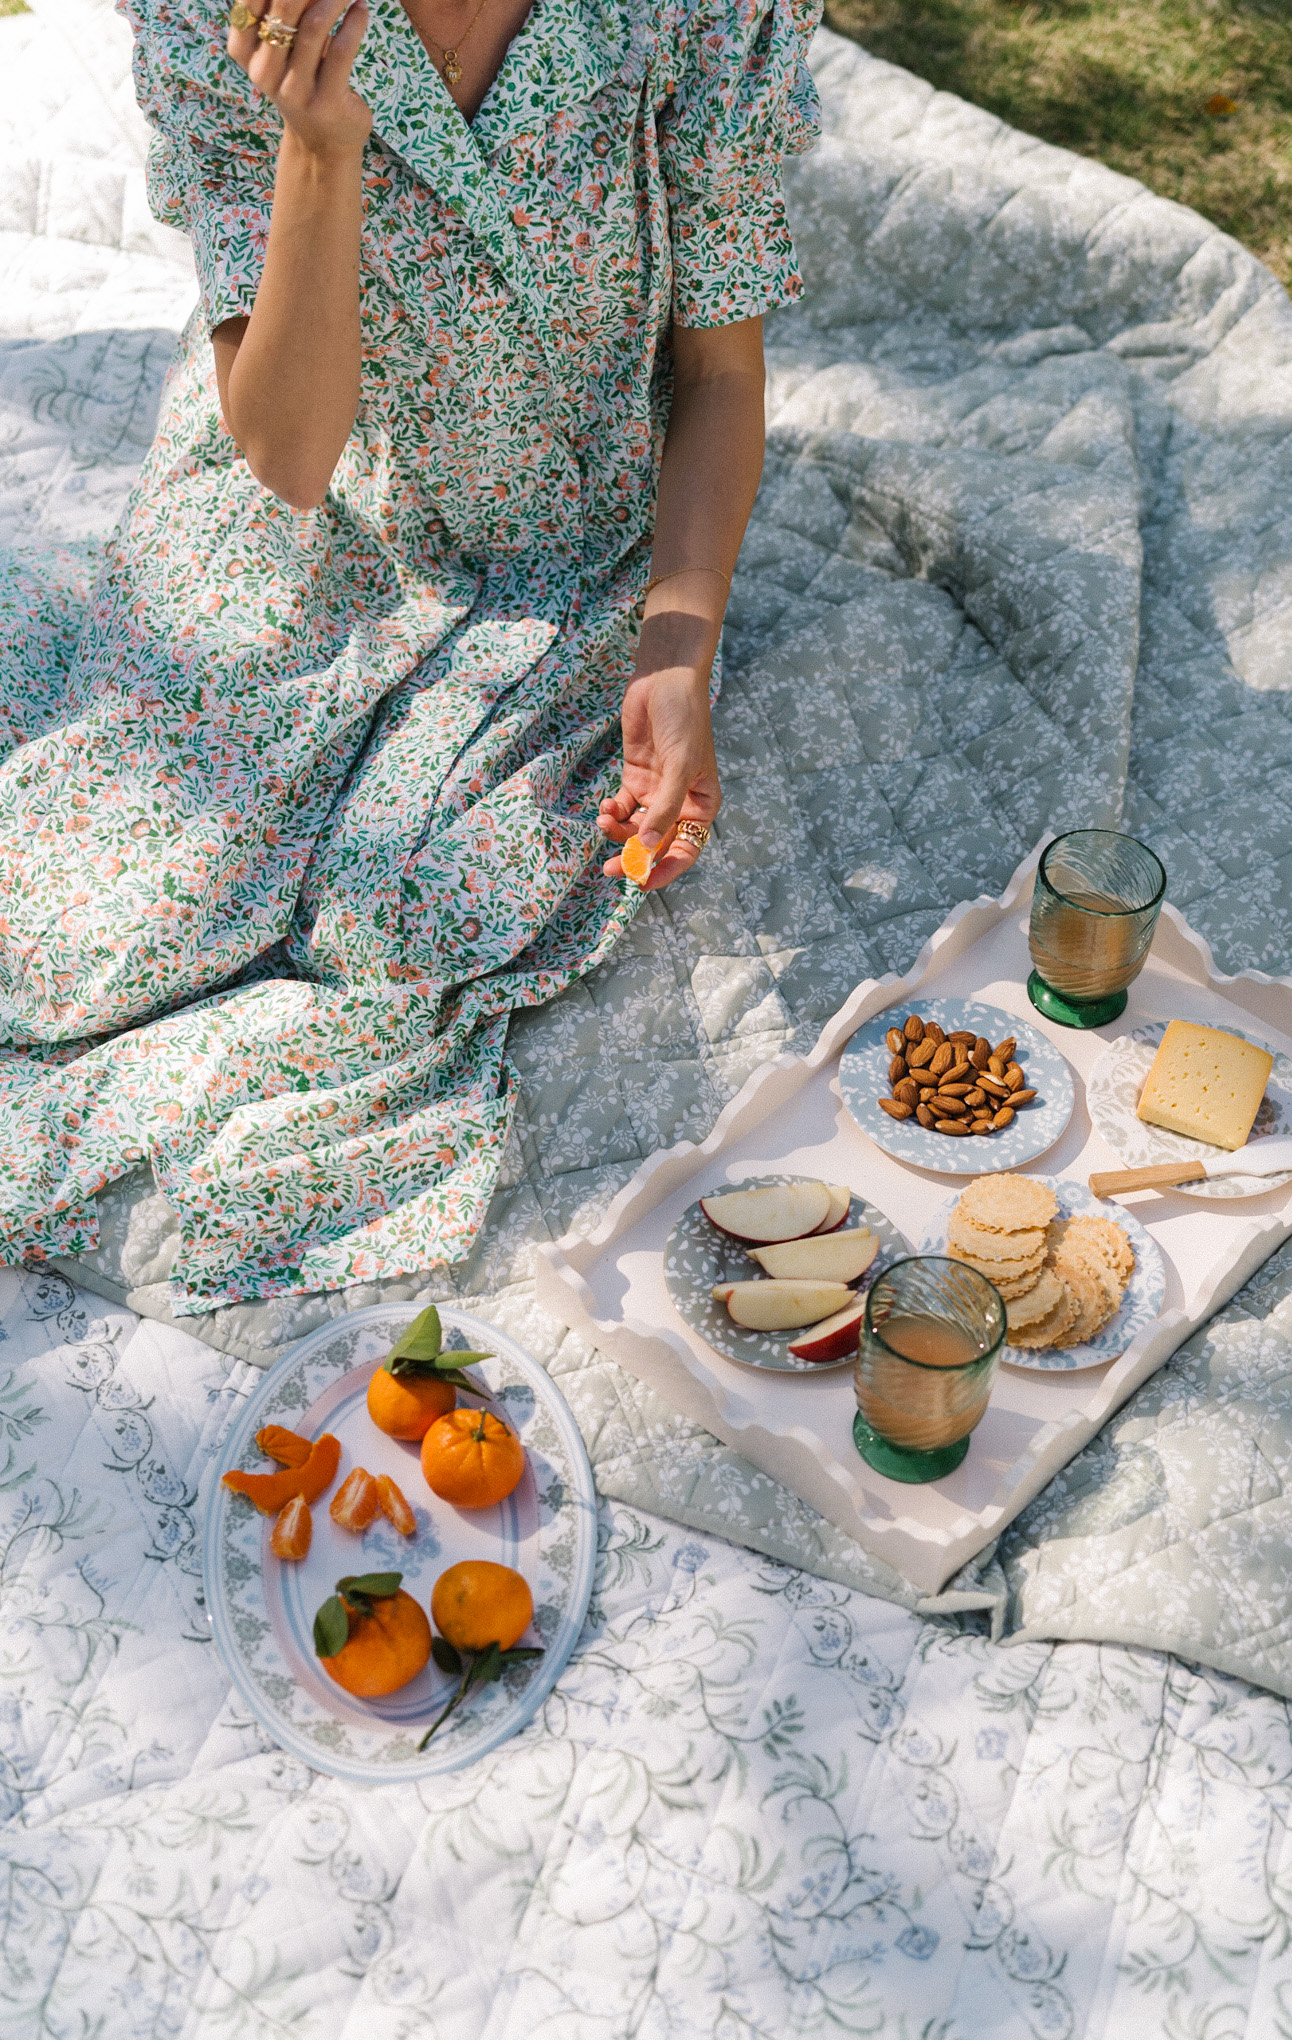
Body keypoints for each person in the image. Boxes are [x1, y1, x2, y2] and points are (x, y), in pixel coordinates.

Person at [0, 0, 820, 1306]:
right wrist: (318, 153)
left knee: (424, 916)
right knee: (87, 928)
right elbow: (289, 457)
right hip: (322, 544)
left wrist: (678, 638)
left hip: (578, 551)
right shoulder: (207, 20)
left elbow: (718, 373)